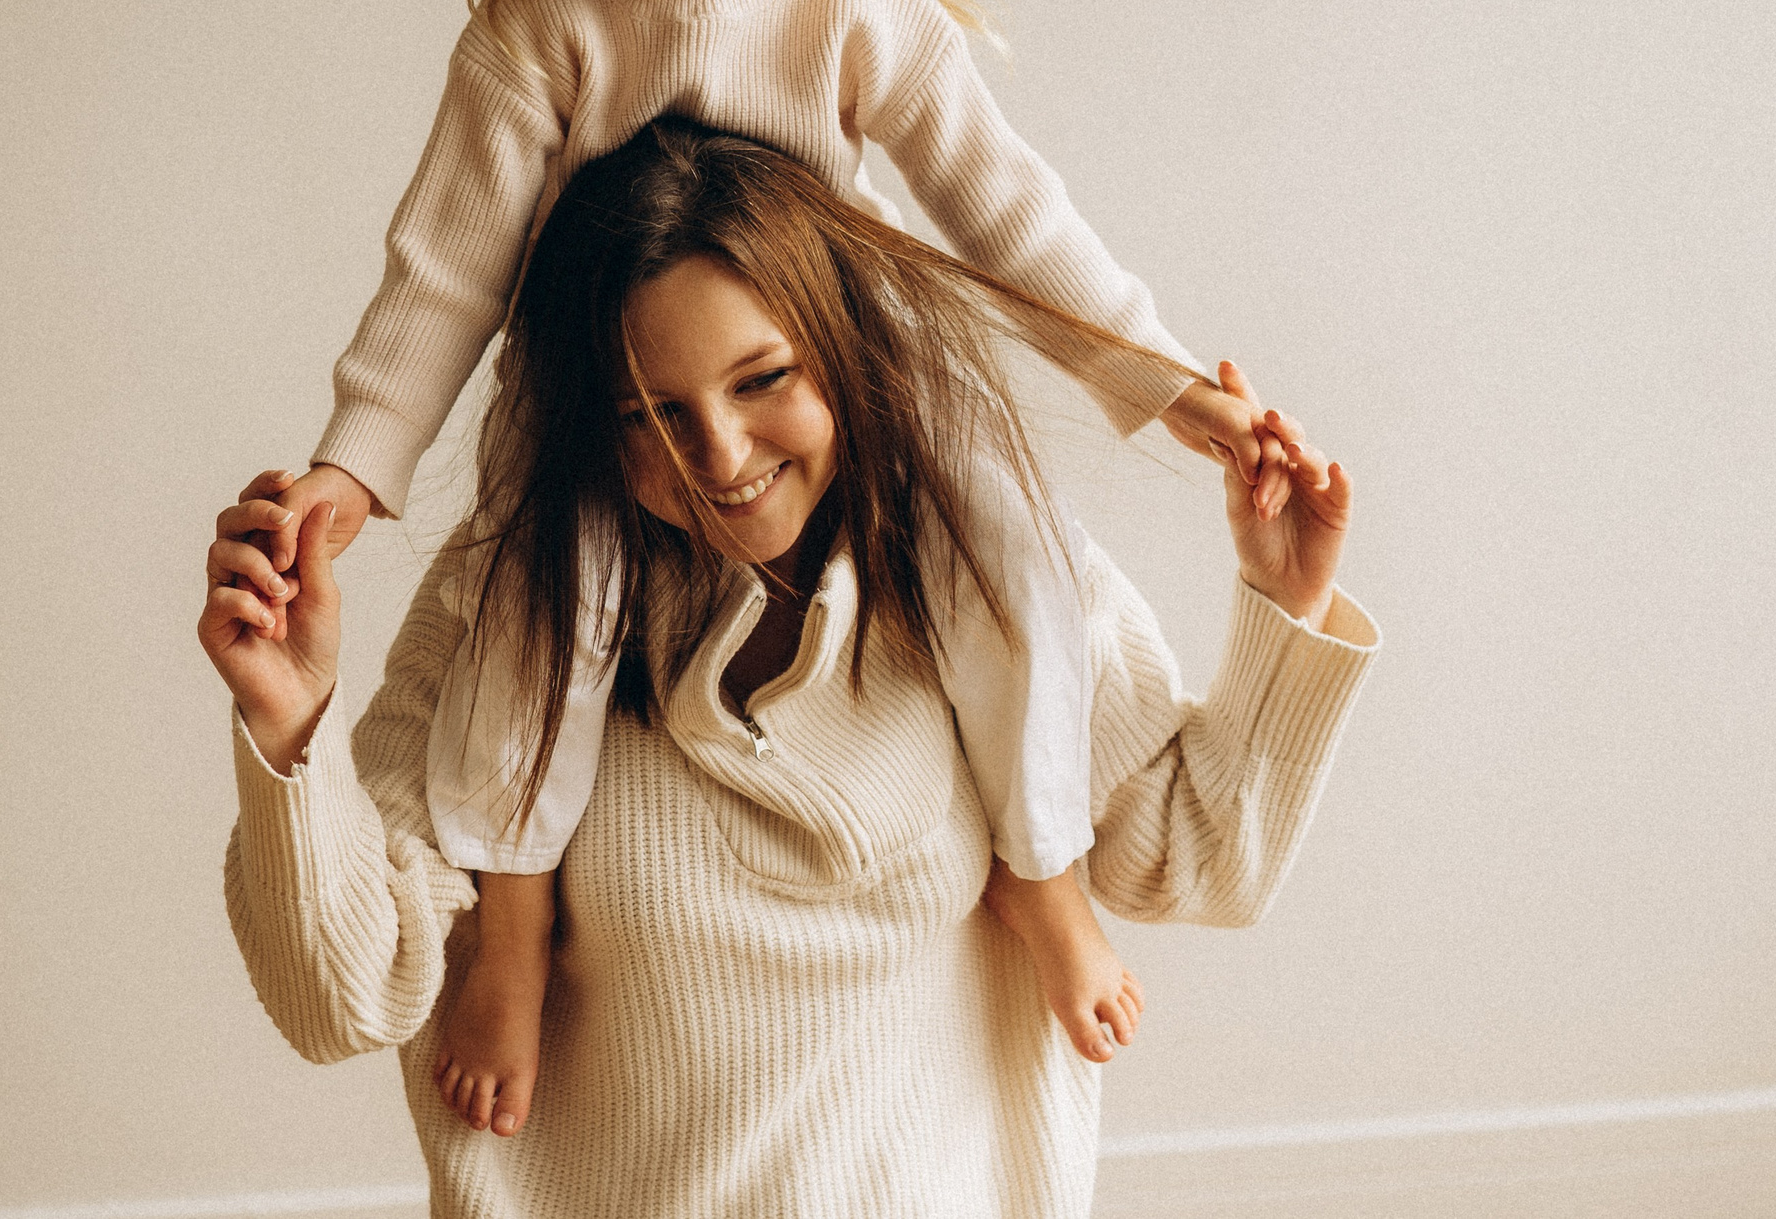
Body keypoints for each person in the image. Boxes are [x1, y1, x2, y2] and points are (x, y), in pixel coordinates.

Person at [242, 0, 1282, 1128]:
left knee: (1016, 574)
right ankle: (513, 927)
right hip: (602, 395)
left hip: (837, 362)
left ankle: (1044, 876)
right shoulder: (544, 22)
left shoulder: (858, 4)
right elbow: (447, 264)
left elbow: (1004, 210)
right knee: (529, 627)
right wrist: (356, 465)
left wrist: (1162, 379)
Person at [205, 122, 1371, 1213]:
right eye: (648, 414)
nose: (718, 456)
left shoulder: (988, 569)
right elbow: (338, 1001)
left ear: (841, 354)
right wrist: (290, 720)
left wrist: (1287, 599)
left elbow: (1203, 863)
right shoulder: (513, 608)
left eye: (762, 379)